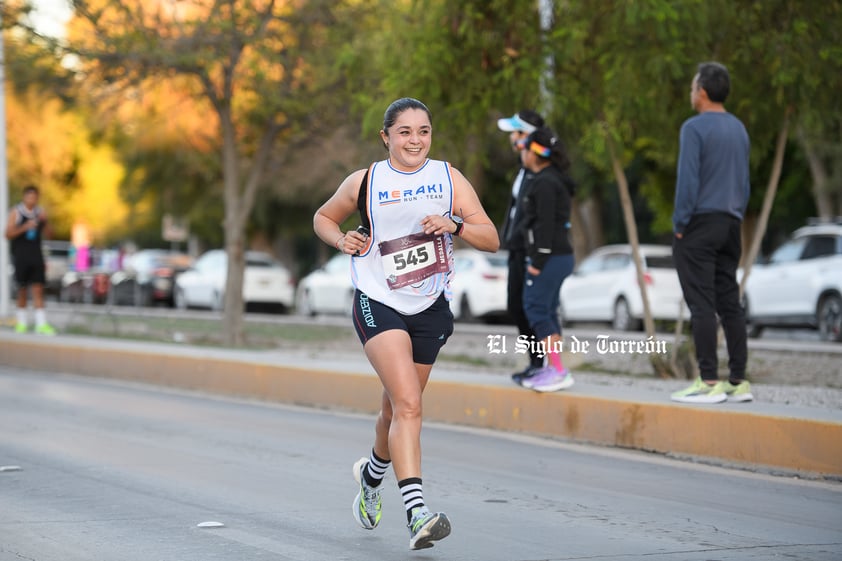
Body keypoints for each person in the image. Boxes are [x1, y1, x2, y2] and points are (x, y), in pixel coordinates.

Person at [313, 97, 499, 550]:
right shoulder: (365, 181)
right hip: (379, 300)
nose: (415, 140)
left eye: (423, 131)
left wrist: (453, 224)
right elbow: (323, 217)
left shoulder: (449, 178)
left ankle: (371, 477)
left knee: (394, 410)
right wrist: (343, 239)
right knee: (410, 405)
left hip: (430, 306)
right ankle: (418, 512)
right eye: (405, 132)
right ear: (386, 137)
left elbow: (491, 238)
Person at [670, 62, 753, 404]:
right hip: (732, 224)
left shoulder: (694, 128)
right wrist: (735, 215)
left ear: (702, 92)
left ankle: (707, 381)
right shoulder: (739, 129)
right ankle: (737, 381)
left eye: (692, 87)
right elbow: (744, 184)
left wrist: (679, 224)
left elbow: (688, 182)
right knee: (729, 302)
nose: (691, 93)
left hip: (699, 224)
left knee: (701, 303)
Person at [516, 126, 576, 393]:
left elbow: (546, 226)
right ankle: (554, 367)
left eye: (525, 148)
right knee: (547, 310)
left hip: (551, 257)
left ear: (534, 153)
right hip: (559, 256)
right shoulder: (552, 179)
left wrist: (537, 262)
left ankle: (558, 371)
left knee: (536, 308)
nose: (522, 153)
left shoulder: (545, 183)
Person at [496, 109, 547, 386]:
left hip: (530, 251)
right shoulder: (523, 170)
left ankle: (543, 364)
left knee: (532, 308)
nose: (512, 138)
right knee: (515, 306)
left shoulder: (542, 173)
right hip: (516, 249)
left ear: (527, 136)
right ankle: (535, 362)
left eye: (516, 133)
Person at [4, 185, 56, 335]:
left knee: (38, 289)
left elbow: (50, 235)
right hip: (21, 256)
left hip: (36, 256)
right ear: (24, 197)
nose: (32, 200)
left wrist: (45, 222)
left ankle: (41, 323)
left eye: (34, 197)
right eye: (29, 196)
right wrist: (25, 227)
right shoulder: (17, 212)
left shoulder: (40, 213)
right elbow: (7, 234)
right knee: (22, 289)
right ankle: (22, 322)